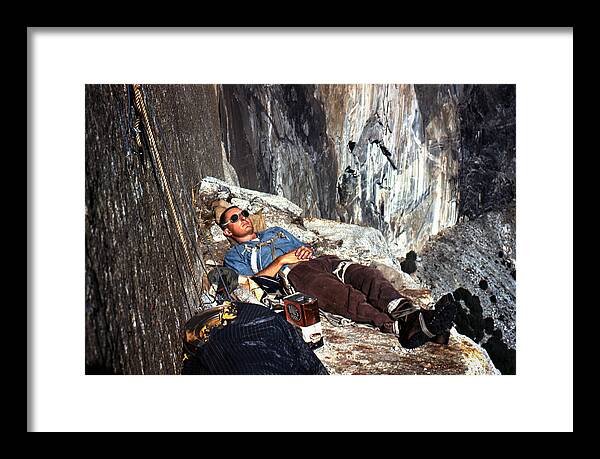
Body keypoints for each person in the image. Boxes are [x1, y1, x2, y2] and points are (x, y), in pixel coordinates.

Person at [218, 205, 458, 349]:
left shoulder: (275, 232)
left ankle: (410, 315)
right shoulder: (235, 255)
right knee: (341, 294)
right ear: (228, 230)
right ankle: (401, 327)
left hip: (319, 261)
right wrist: (281, 261)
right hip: (292, 274)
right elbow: (251, 283)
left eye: (244, 213)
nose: (244, 218)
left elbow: (305, 247)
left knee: (368, 276)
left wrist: (304, 250)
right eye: (235, 218)